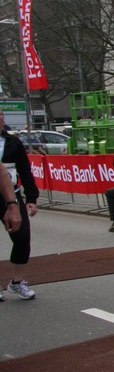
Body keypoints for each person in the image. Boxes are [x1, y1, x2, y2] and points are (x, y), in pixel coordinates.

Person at [0, 112, 36, 299]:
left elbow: (24, 169)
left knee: (22, 237)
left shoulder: (13, 142)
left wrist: (31, 198)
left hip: (11, 195)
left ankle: (17, 282)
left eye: (0, 115)